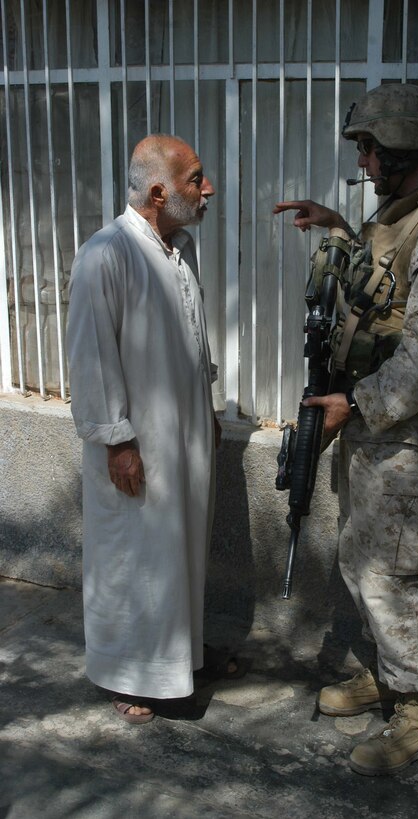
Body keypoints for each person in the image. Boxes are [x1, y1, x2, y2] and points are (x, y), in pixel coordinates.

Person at [274, 84, 418, 775]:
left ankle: (415, 709)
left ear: (401, 149)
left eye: (369, 149)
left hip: (404, 434)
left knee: (393, 573)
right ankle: (387, 675)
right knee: (362, 560)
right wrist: (340, 228)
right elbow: (384, 289)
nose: (363, 162)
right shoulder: (405, 217)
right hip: (375, 424)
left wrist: (355, 404)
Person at [67, 134, 224, 724]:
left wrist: (207, 409)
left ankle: (181, 658)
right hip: (135, 446)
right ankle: (129, 674)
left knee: (178, 553)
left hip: (185, 437)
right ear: (159, 193)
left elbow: (190, 339)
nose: (207, 190)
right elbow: (91, 357)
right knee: (133, 557)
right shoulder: (106, 254)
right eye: (195, 180)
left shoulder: (179, 250)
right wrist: (117, 442)